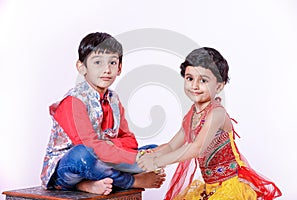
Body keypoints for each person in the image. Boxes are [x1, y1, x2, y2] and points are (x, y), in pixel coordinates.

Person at [137, 47, 282, 199]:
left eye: (203, 80)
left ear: (219, 86)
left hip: (229, 187)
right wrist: (149, 155)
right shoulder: (193, 114)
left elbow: (196, 148)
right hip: (209, 188)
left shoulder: (217, 113)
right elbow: (173, 145)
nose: (194, 86)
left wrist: (157, 162)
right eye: (189, 78)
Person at [40, 32, 165, 195]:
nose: (106, 69)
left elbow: (129, 140)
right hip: (70, 167)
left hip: (105, 159)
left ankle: (90, 184)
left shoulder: (113, 99)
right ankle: (130, 181)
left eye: (112, 62)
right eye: (97, 62)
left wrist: (116, 147)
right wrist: (117, 151)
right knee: (85, 154)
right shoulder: (73, 101)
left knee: (154, 151)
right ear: (81, 67)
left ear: (119, 68)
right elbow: (90, 147)